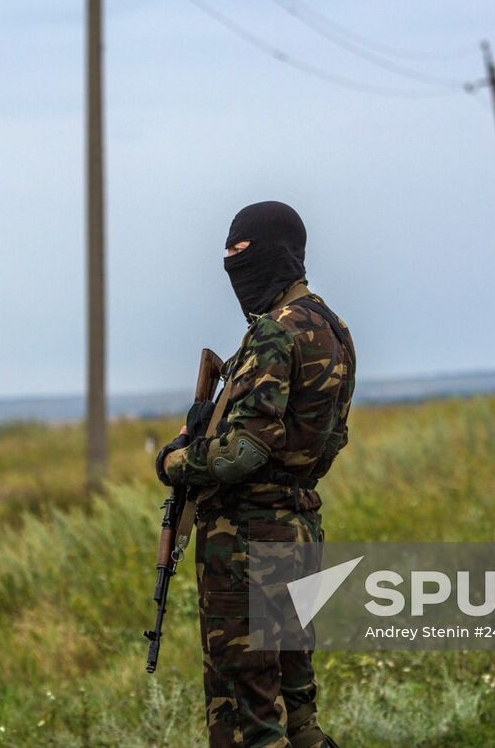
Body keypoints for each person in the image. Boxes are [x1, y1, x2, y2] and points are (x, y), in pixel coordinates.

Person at [156, 201, 355, 748]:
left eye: (242, 255)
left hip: (248, 546)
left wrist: (175, 461)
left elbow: (245, 449)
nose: (234, 269)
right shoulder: (334, 329)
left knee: (247, 718)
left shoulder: (275, 332)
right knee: (299, 713)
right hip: (299, 531)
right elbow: (332, 439)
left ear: (279, 252)